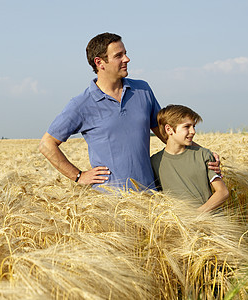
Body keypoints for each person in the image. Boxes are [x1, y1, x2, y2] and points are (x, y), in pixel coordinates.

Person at [39, 32, 220, 191]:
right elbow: (47, 144)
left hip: (150, 194)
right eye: (119, 55)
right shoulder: (81, 104)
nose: (127, 59)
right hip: (110, 204)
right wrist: (78, 176)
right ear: (99, 62)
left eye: (125, 53)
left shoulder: (142, 90)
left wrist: (203, 155)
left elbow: (168, 134)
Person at [150, 105, 229, 212]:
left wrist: (196, 215)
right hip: (178, 224)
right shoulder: (155, 162)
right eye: (187, 126)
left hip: (210, 221)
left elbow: (222, 192)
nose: (193, 131)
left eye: (194, 127)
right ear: (169, 129)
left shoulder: (203, 155)